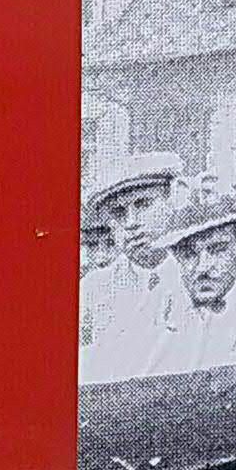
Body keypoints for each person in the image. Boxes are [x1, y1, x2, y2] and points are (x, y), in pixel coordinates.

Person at [78, 149, 184, 377]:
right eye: (118, 213)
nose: (131, 222)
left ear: (169, 202)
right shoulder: (93, 288)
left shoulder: (196, 274)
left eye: (143, 204)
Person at [153, 176, 236, 371]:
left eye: (217, 249)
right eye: (188, 253)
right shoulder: (157, 321)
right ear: (175, 255)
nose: (203, 267)